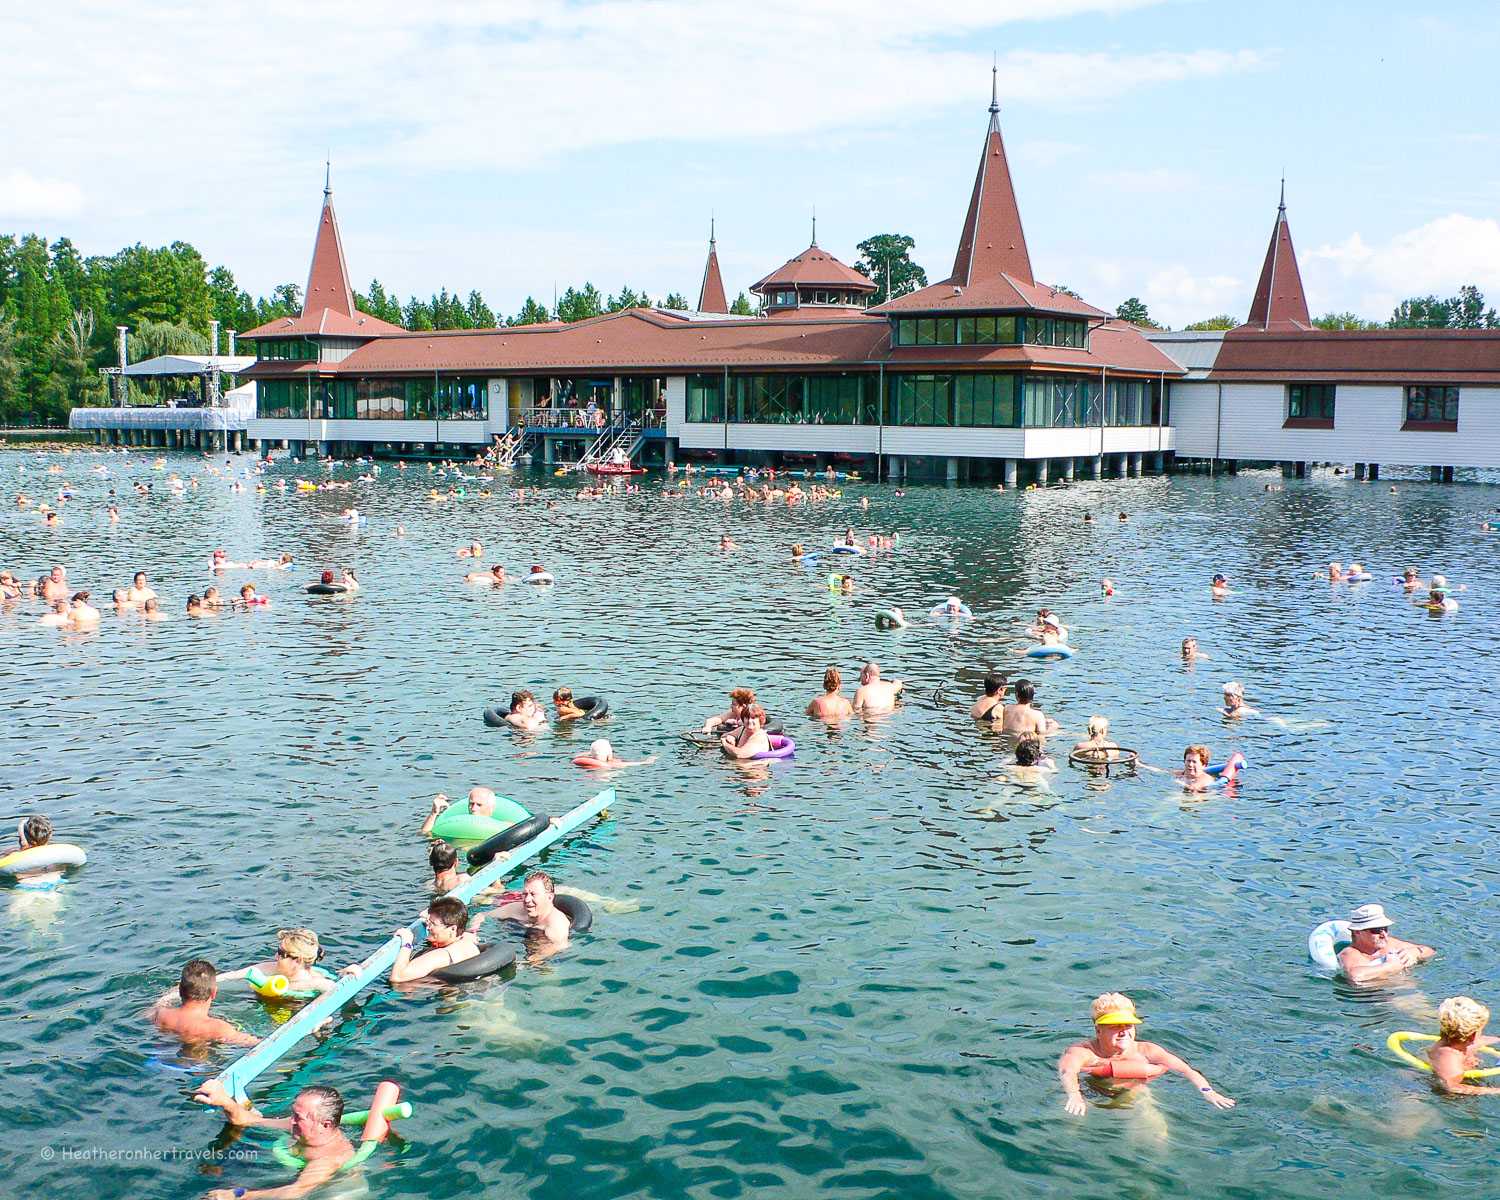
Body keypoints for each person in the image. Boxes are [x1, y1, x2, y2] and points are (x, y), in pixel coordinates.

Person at [1057, 992, 1234, 1116]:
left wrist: (1207, 1091)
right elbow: (1067, 1072)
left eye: (1128, 1026)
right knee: (1070, 1119)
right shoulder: (1083, 1051)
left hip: (1133, 1093)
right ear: (1098, 1031)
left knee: (1154, 1129)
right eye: (1115, 1027)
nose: (1123, 1032)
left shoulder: (1146, 1050)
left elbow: (1186, 1070)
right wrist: (1075, 1095)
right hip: (1088, 1091)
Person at [195, 1080, 356, 1198]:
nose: (291, 1121)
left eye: (298, 1117)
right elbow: (250, 1120)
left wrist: (238, 1195)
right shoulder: (306, 1128)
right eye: (293, 1114)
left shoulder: (330, 1158)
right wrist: (224, 1101)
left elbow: (294, 1192)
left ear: (325, 1125)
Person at [346, 896, 487, 984]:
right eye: (429, 922)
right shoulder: (468, 938)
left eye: (433, 924)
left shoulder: (441, 956)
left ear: (452, 928)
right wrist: (430, 919)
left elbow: (398, 977)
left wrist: (407, 943)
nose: (429, 927)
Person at [151, 960, 259, 1048]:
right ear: (214, 992)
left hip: (159, 1059)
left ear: (180, 990)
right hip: (198, 1065)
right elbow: (254, 1043)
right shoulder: (217, 1028)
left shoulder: (161, 1014)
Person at [216, 928, 336, 998]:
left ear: (298, 960)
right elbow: (230, 976)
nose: (275, 956)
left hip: (297, 1007)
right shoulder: (270, 968)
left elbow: (337, 994)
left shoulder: (316, 983)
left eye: (281, 953)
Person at [1336, 903, 1435, 984]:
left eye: (1385, 929)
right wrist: (1392, 966)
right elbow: (1356, 975)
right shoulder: (1350, 953)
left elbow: (1430, 951)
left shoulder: (1389, 944)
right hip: (1375, 996)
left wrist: (1415, 952)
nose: (1384, 935)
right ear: (1358, 932)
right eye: (1376, 930)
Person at [1426, 997, 1500, 1095]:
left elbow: (1481, 1041)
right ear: (1473, 1036)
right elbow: (1450, 1087)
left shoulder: (1461, 1044)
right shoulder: (1447, 1056)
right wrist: (1493, 1091)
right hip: (1451, 1096)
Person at [487, 870, 571, 954]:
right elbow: (484, 915)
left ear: (549, 897)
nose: (527, 900)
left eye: (533, 894)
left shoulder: (556, 924)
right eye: (525, 894)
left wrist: (531, 960)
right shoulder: (517, 909)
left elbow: (559, 946)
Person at [421, 786, 500, 836]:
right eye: (471, 804)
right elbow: (424, 834)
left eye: (479, 805)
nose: (473, 809)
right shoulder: (457, 825)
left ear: (492, 808)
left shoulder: (501, 828)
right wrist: (434, 813)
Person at [577, 738, 654, 768]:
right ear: (608, 755)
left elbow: (578, 755)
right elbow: (644, 763)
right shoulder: (613, 764)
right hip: (606, 776)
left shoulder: (581, 761)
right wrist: (651, 759)